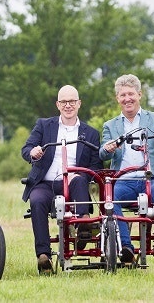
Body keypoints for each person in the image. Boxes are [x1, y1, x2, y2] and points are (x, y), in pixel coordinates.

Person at [21, 85, 103, 275]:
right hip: (46, 182)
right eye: (64, 102)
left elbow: (96, 167)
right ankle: (43, 256)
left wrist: (80, 173)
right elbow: (26, 149)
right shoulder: (44, 125)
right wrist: (33, 152)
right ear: (58, 104)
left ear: (79, 104)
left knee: (79, 180)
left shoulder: (90, 133)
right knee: (37, 200)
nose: (68, 105)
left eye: (72, 101)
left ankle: (83, 225)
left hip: (75, 183)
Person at [99, 74, 154, 263]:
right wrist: (108, 148)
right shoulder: (110, 125)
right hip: (124, 179)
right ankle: (126, 246)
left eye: (131, 94)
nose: (127, 99)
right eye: (123, 95)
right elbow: (102, 154)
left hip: (151, 178)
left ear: (139, 94)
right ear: (117, 98)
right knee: (111, 200)